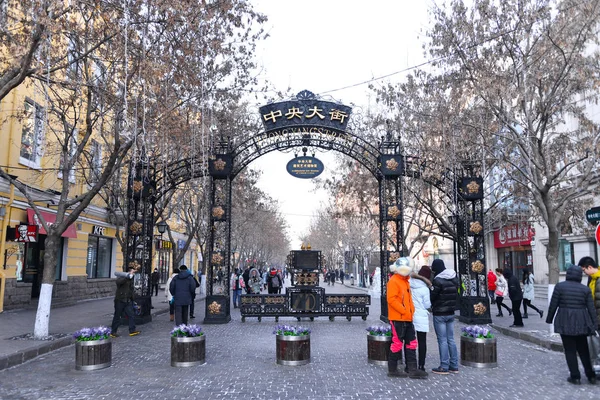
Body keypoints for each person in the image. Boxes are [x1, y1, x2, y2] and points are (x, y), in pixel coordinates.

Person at [546, 265, 598, 384]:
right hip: (581, 321)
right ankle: (591, 375)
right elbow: (591, 309)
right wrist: (594, 325)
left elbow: (553, 304)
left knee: (569, 350)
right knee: (584, 350)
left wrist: (549, 319)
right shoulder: (585, 289)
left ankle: (575, 377)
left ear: (568, 274)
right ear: (580, 275)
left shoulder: (560, 287)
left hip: (565, 321)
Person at [386, 257, 428, 379]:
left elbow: (407, 299)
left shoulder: (405, 281)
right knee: (397, 343)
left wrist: (410, 310)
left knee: (411, 343)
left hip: (407, 317)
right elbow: (391, 299)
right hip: (398, 318)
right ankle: (392, 369)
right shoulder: (394, 281)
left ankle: (412, 369)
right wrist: (404, 310)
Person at [430, 259, 459, 374]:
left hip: (439, 313)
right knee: (451, 339)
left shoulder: (438, 280)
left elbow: (432, 297)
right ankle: (454, 365)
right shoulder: (454, 278)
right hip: (451, 312)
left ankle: (444, 366)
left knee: (442, 340)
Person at [410, 265, 432, 372]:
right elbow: (427, 305)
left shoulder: (410, 284)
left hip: (411, 315)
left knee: (410, 341)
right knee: (422, 342)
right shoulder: (424, 289)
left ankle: (410, 363)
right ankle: (421, 365)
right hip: (421, 316)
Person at [110, 266, 141, 338]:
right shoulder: (122, 278)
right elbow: (119, 282)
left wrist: (132, 298)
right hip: (120, 300)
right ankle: (113, 332)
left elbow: (130, 290)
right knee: (117, 316)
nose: (133, 273)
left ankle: (132, 330)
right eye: (132, 271)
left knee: (131, 315)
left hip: (127, 301)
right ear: (129, 271)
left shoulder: (130, 279)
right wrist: (127, 276)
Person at [580, 256, 600, 329]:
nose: (584, 273)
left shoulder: (597, 279)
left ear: (590, 267)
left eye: (584, 270)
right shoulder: (592, 279)